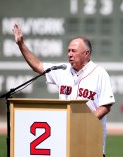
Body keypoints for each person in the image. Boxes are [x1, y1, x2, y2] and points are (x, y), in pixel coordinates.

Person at [12, 24, 115, 157]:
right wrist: (21, 44)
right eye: (68, 51)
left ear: (86, 53)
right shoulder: (62, 70)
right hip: (64, 139)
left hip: (90, 137)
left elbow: (106, 106)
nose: (70, 54)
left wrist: (85, 123)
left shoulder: (99, 73)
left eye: (74, 51)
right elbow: (37, 66)